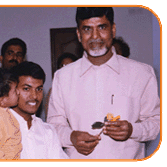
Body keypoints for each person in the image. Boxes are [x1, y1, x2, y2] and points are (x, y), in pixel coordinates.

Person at [47, 7, 160, 159]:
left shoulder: (142, 73)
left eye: (102, 27)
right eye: (87, 29)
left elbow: (155, 123)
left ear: (113, 30)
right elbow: (53, 125)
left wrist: (133, 130)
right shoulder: (63, 77)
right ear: (79, 35)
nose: (95, 36)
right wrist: (71, 137)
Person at [9, 61, 68, 159]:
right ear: (12, 89)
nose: (34, 96)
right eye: (26, 89)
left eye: (39, 89)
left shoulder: (47, 131)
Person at [44, 53, 78, 119]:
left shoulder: (82, 87)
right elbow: (51, 118)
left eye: (70, 66)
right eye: (63, 66)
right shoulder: (53, 91)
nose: (66, 69)